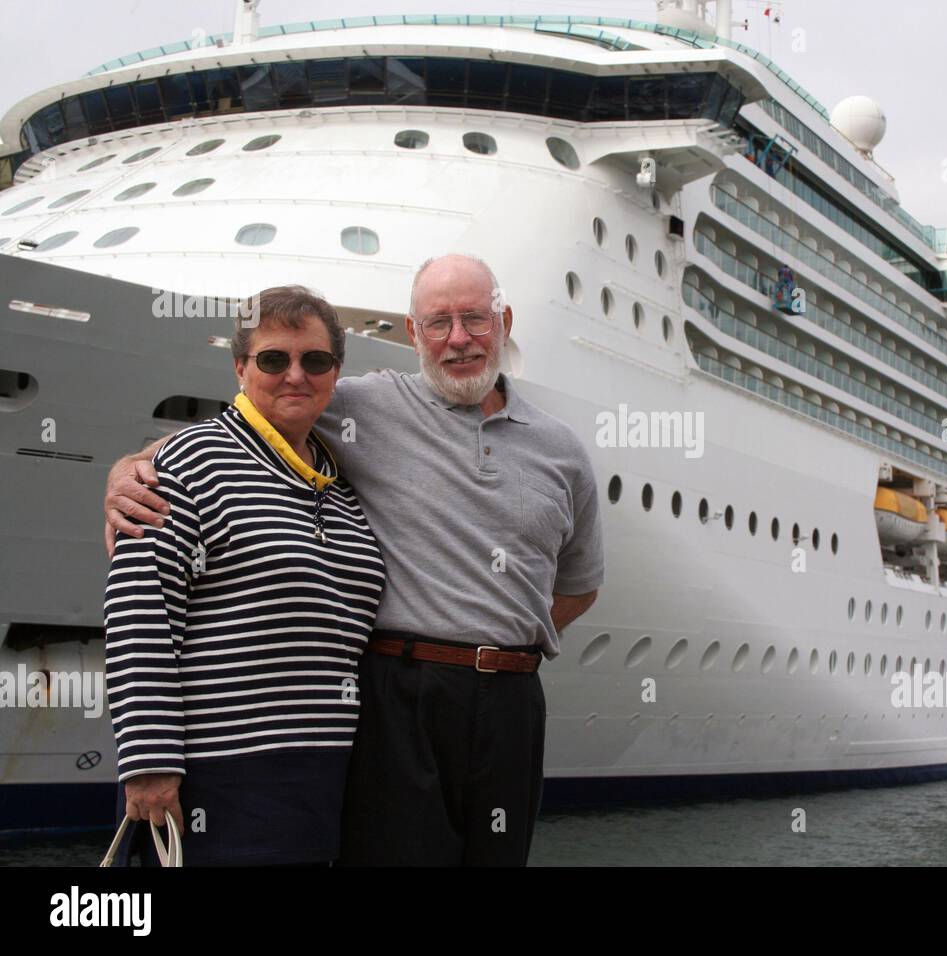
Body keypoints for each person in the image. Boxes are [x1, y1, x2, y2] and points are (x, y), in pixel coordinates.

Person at [105, 254, 604, 865]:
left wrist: (503, 638)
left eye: (475, 319)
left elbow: (580, 586)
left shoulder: (562, 449)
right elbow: (252, 425)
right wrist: (129, 467)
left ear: (503, 321)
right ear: (414, 333)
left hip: (500, 704)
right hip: (391, 698)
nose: (459, 339)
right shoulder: (366, 408)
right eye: (438, 322)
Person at [103, 286, 385, 866]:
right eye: (273, 359)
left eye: (315, 360)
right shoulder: (185, 465)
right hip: (216, 781)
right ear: (240, 367)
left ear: (336, 372)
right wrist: (151, 766)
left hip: (324, 781)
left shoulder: (339, 487)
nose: (295, 376)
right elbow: (139, 614)